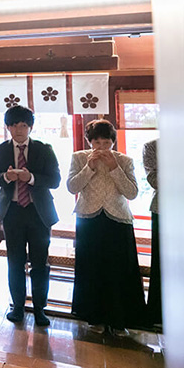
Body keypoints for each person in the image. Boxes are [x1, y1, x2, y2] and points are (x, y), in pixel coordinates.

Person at [67, 119, 145, 335]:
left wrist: (114, 168)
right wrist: (89, 167)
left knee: (119, 269)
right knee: (91, 268)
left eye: (106, 142)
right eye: (97, 142)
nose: (101, 147)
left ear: (113, 141)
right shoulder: (79, 158)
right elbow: (72, 187)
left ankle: (120, 321)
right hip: (88, 218)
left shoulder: (125, 161)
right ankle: (95, 318)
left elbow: (132, 193)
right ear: (89, 141)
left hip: (118, 219)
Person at [0, 105, 61, 327]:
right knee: (15, 262)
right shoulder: (0, 150)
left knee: (40, 263)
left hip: (38, 213)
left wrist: (31, 178)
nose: (18, 130)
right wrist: (7, 176)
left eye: (23, 125)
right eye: (13, 125)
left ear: (30, 126)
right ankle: (17, 307)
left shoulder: (44, 149)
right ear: (8, 127)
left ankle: (40, 309)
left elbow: (55, 181)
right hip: (12, 213)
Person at [143, 138, 161, 326]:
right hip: (162, 208)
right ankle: (158, 314)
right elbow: (153, 179)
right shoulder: (152, 146)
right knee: (161, 262)